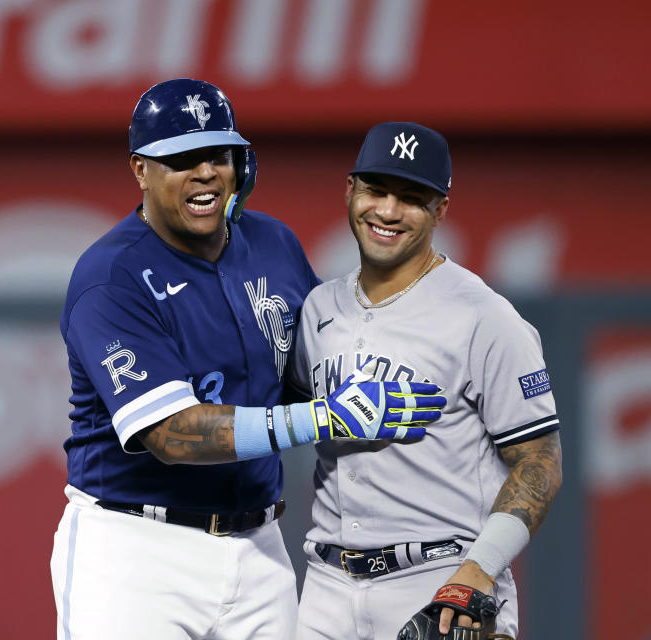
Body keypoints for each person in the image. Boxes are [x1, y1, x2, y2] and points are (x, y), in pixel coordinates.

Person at [49, 82, 447, 640]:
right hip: (135, 551)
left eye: (219, 154)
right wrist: (325, 417)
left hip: (260, 547)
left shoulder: (271, 243)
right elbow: (172, 434)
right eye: (182, 158)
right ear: (140, 169)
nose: (207, 172)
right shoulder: (111, 277)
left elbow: (310, 371)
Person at [291, 122, 563, 640]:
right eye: (376, 190)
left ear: (440, 209)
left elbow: (541, 462)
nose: (389, 211)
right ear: (350, 190)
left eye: (411, 198)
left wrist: (481, 568)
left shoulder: (485, 316)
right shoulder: (318, 308)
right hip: (326, 586)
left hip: (439, 579)